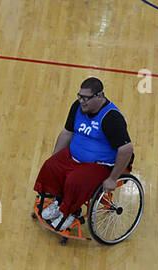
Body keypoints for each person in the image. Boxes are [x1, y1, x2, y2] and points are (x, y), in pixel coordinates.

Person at [34, 77, 134, 236]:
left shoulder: (111, 118)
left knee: (75, 180)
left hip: (100, 165)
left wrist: (113, 179)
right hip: (73, 157)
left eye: (86, 98)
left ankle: (69, 212)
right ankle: (58, 203)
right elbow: (67, 133)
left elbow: (126, 149)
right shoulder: (78, 106)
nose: (81, 101)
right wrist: (55, 158)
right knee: (50, 166)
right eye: (79, 96)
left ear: (99, 96)